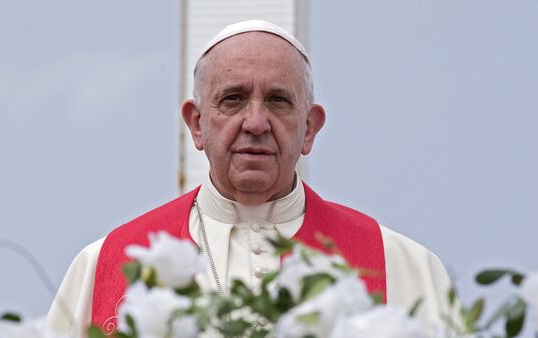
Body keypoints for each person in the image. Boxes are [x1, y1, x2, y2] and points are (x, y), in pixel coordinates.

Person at [47, 20, 453, 336]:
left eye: (278, 100)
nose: (255, 122)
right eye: (233, 99)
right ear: (197, 124)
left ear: (309, 128)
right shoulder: (107, 264)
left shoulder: (402, 265)